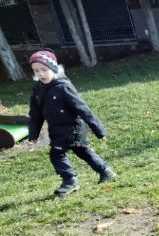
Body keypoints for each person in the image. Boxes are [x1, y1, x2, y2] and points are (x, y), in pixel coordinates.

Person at [27, 50, 115, 196]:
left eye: (44, 69)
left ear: (53, 68)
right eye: (36, 71)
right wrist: (33, 133)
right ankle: (105, 171)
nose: (41, 74)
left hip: (73, 128)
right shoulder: (37, 90)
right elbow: (35, 114)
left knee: (57, 154)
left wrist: (99, 130)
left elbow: (82, 108)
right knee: (83, 151)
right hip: (56, 130)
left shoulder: (63, 87)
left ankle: (70, 180)